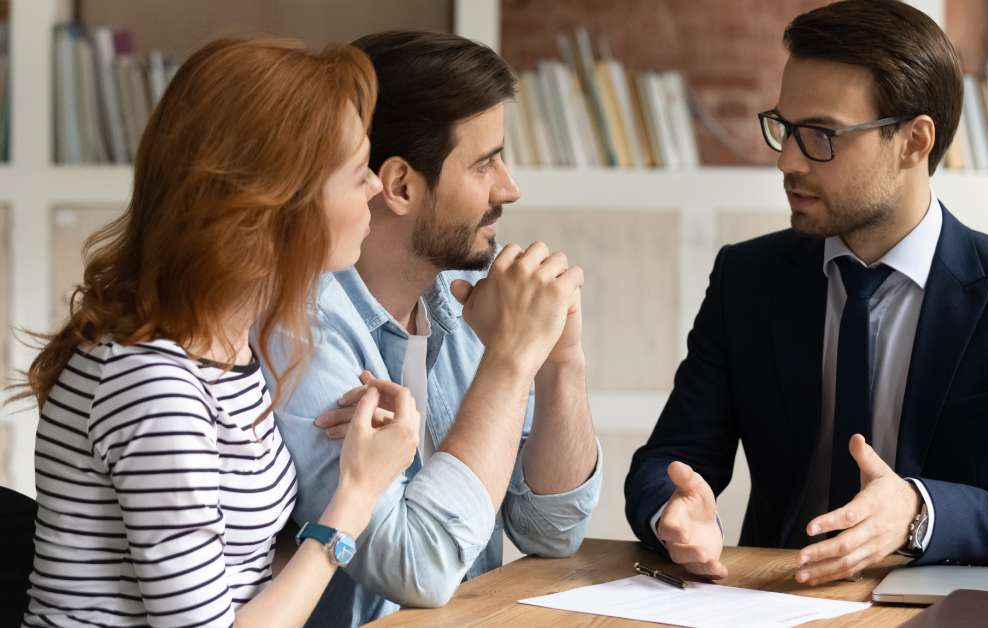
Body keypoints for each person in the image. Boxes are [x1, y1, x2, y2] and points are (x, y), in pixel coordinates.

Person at [625, 0, 988, 585]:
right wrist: (672, 512)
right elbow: (669, 459)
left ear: (914, 142)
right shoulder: (747, 279)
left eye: (822, 135)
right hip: (770, 599)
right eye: (785, 128)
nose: (787, 161)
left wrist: (921, 513)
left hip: (945, 609)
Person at [14, 36, 421, 627]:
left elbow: (238, 575)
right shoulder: (150, 381)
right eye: (358, 172)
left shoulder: (225, 347)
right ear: (275, 203)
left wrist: (352, 461)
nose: (378, 190)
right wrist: (357, 495)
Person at [268, 30, 601, 624]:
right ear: (399, 185)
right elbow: (414, 568)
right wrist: (511, 360)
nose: (510, 188)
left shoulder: (462, 301)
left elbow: (552, 531)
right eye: (485, 163)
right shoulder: (302, 328)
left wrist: (560, 362)